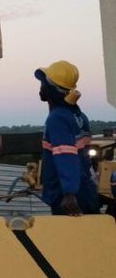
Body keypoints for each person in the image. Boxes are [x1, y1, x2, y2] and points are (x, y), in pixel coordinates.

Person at [35, 60, 100, 216]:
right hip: (87, 191)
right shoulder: (78, 116)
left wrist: (69, 193)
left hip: (68, 197)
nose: (40, 87)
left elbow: (66, 156)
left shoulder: (57, 119)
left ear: (51, 89)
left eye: (43, 83)